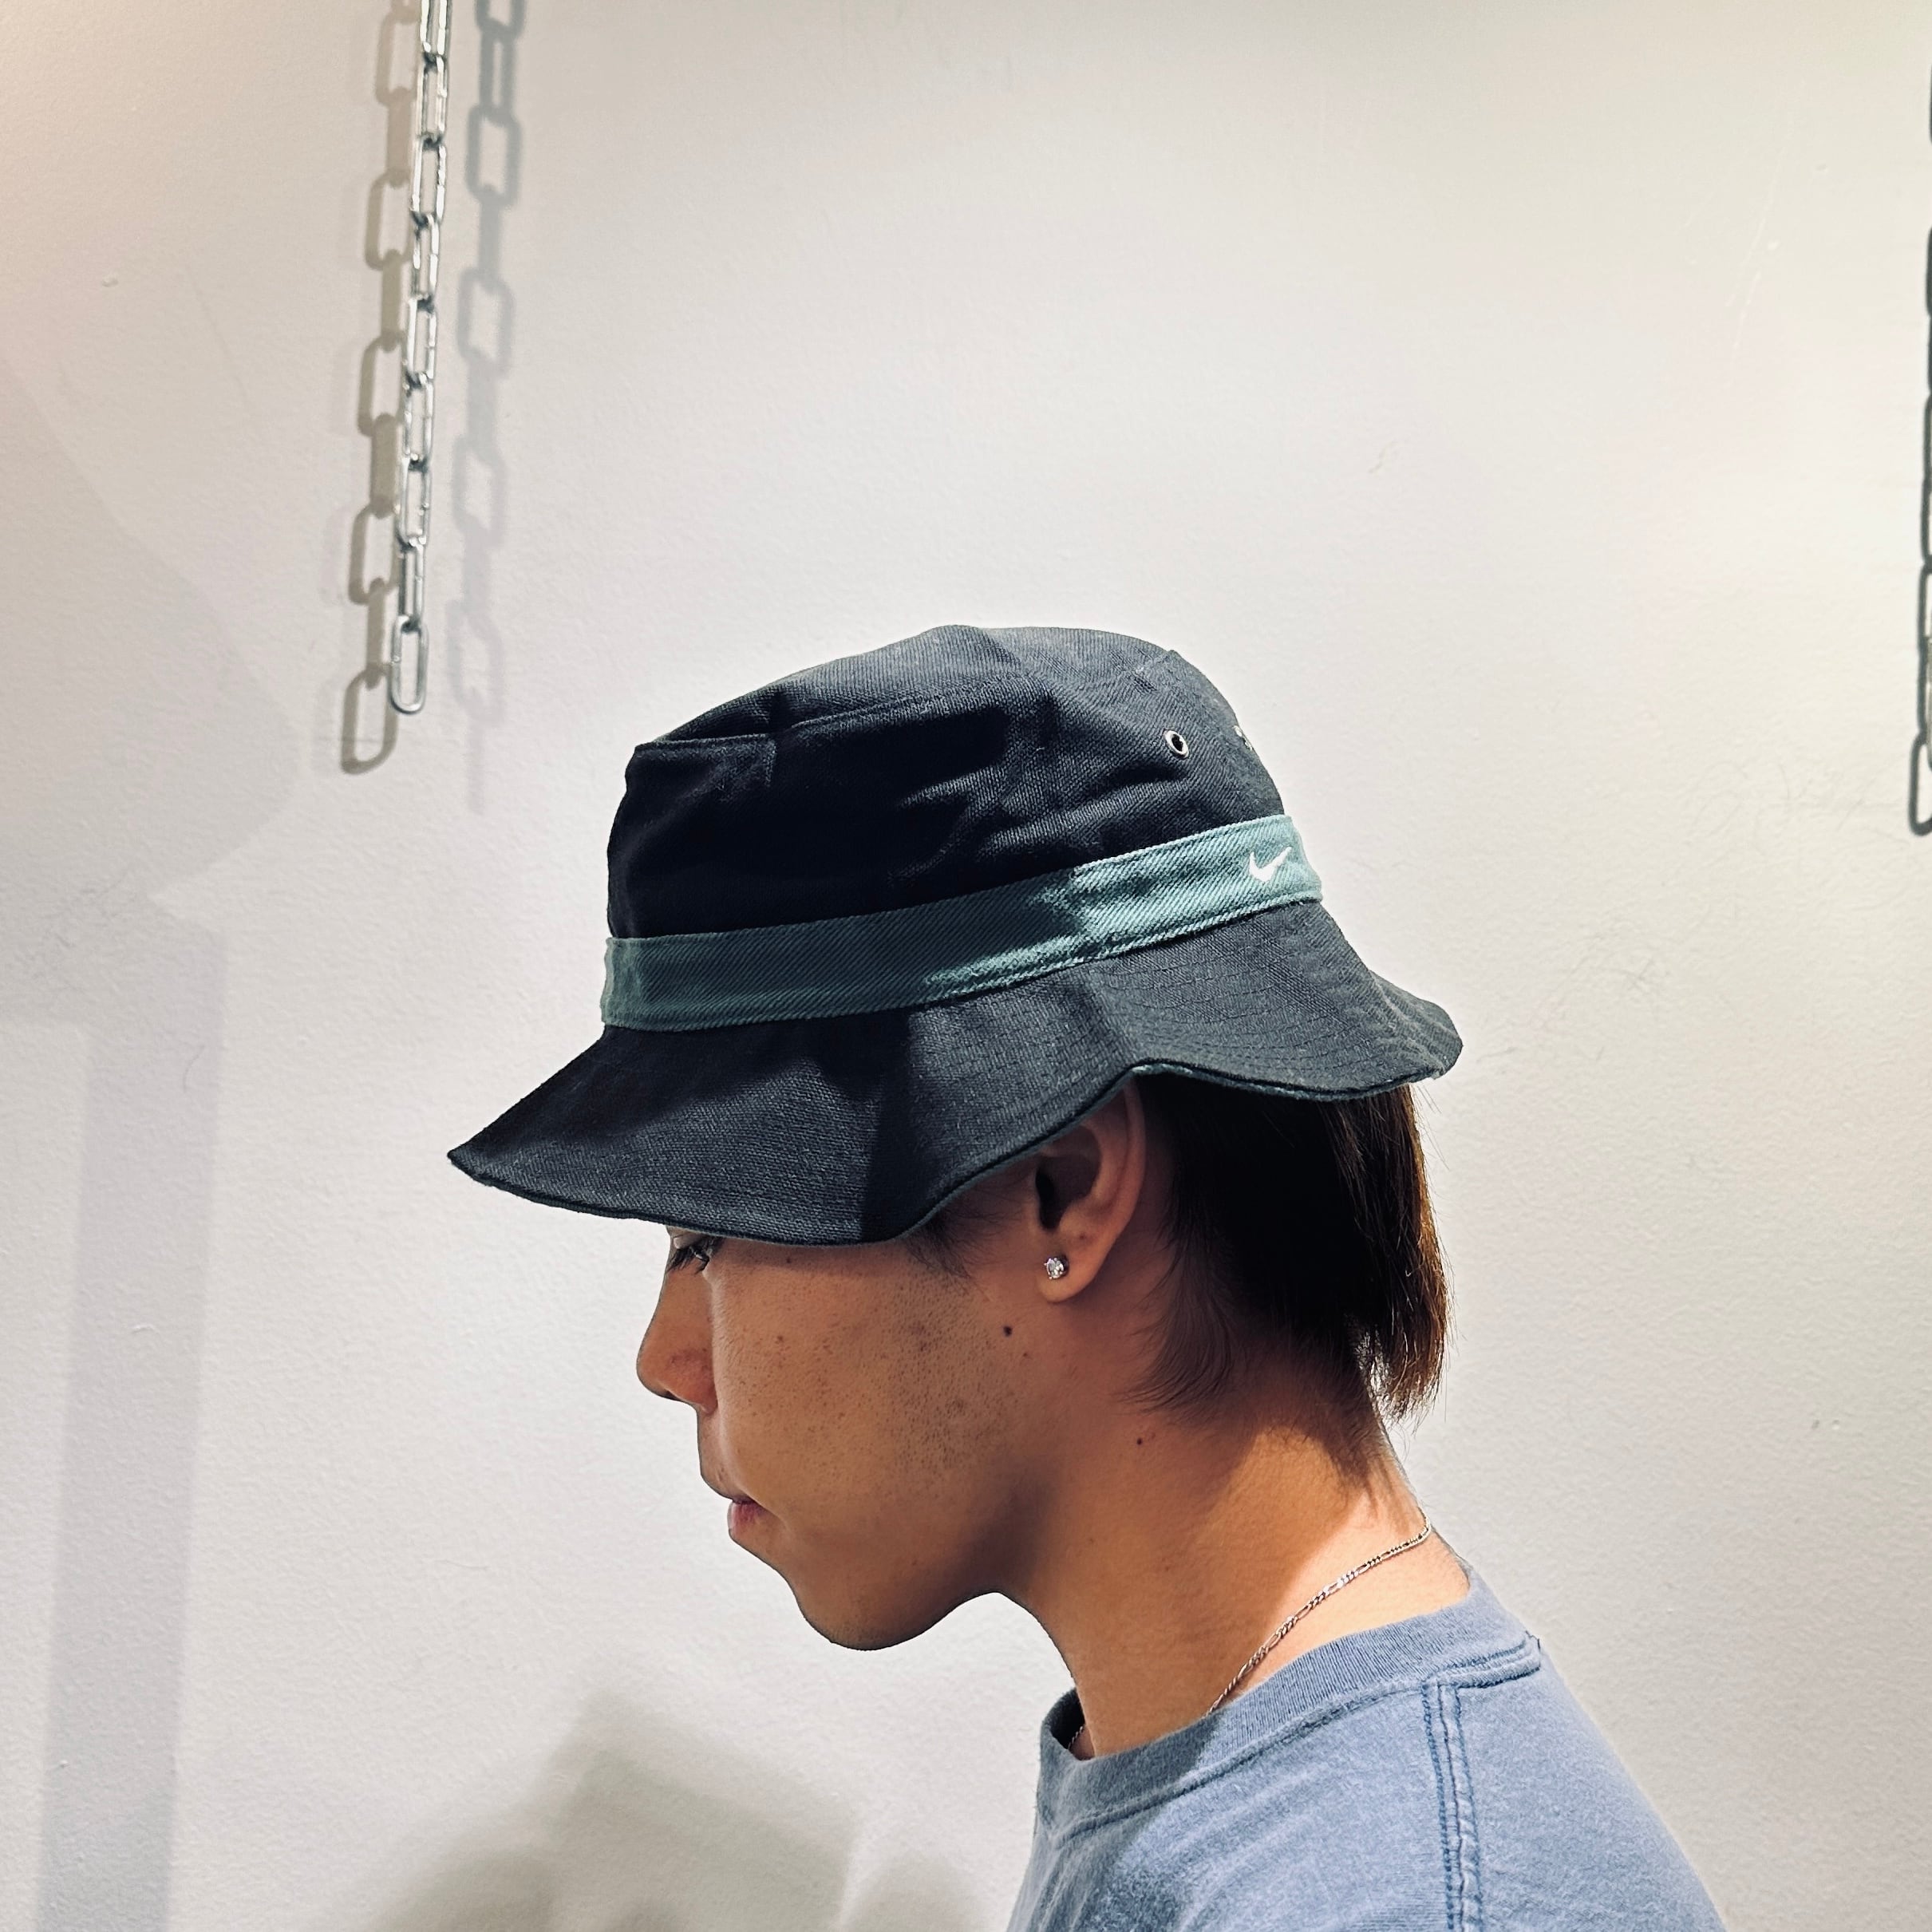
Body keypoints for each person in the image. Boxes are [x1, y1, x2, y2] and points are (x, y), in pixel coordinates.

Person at [452, 625, 1725, 1930]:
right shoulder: (1228, 1778)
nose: (665, 1360)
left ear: (1058, 1185)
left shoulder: (1390, 1899)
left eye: (706, 1235)